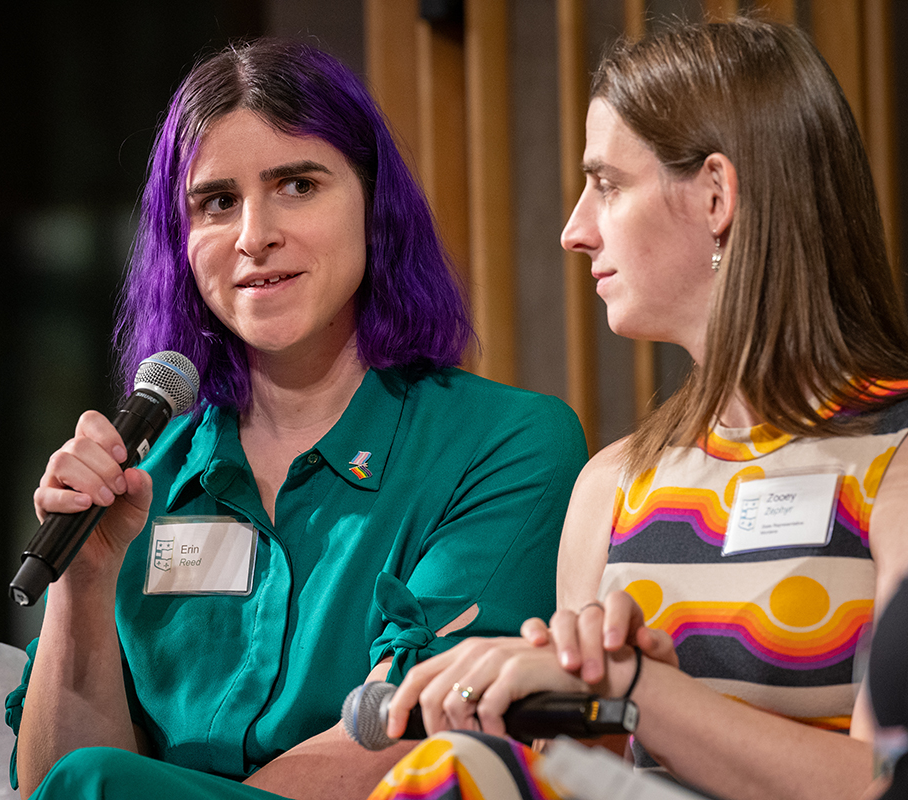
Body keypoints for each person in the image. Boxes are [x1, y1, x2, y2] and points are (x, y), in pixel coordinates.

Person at [6, 38, 587, 800]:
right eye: (217, 202)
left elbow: (413, 728)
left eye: (297, 186)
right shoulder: (140, 476)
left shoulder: (507, 445)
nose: (254, 235)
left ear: (375, 207)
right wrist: (83, 584)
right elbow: (46, 785)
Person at [379, 16, 908, 800]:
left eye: (607, 183)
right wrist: (527, 709)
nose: (573, 231)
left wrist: (640, 690)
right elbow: (605, 773)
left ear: (717, 195)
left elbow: (885, 783)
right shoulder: (613, 485)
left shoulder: (895, 458)